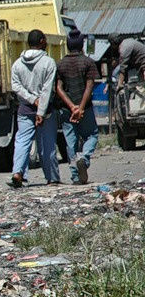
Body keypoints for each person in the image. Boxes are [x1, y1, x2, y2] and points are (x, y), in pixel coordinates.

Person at [9, 29, 60, 188]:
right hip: (46, 112)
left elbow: (15, 87)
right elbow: (47, 89)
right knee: (47, 144)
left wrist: (31, 99)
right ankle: (51, 178)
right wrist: (40, 110)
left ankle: (18, 172)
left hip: (24, 109)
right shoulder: (48, 63)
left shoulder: (17, 64)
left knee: (22, 142)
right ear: (42, 42)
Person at [56, 29, 99, 185]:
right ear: (82, 44)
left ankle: (75, 176)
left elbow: (58, 88)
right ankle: (85, 157)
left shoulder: (60, 64)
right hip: (84, 109)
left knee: (70, 142)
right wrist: (80, 108)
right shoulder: (88, 62)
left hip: (67, 110)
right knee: (92, 134)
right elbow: (89, 86)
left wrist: (72, 107)